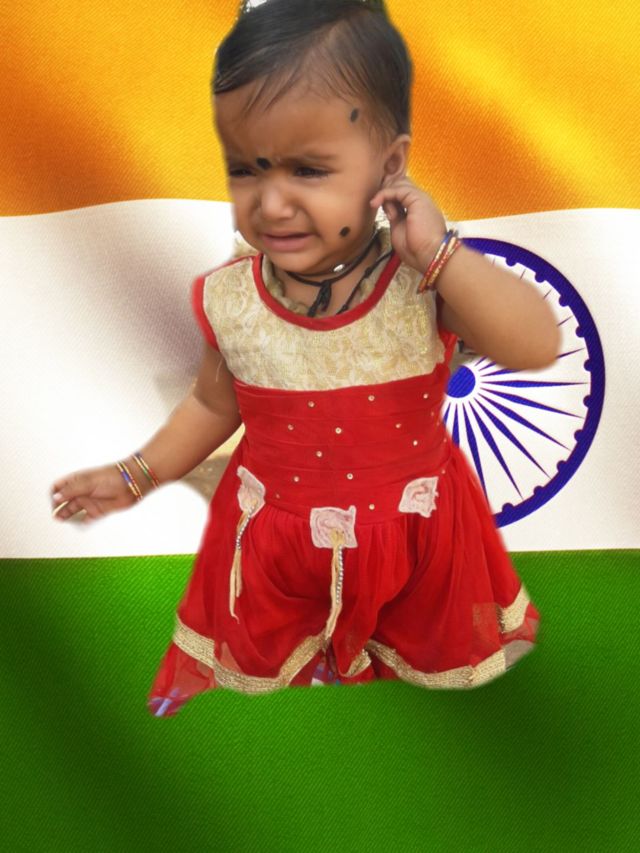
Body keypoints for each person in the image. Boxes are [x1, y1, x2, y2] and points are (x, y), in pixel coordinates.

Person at [50, 0, 558, 717]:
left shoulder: (423, 279)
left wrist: (441, 254)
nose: (272, 205)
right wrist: (136, 474)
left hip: (417, 542)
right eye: (245, 170)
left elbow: (536, 344)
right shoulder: (232, 297)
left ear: (390, 167)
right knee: (289, 706)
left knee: (409, 704)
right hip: (278, 550)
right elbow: (211, 404)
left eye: (309, 170)